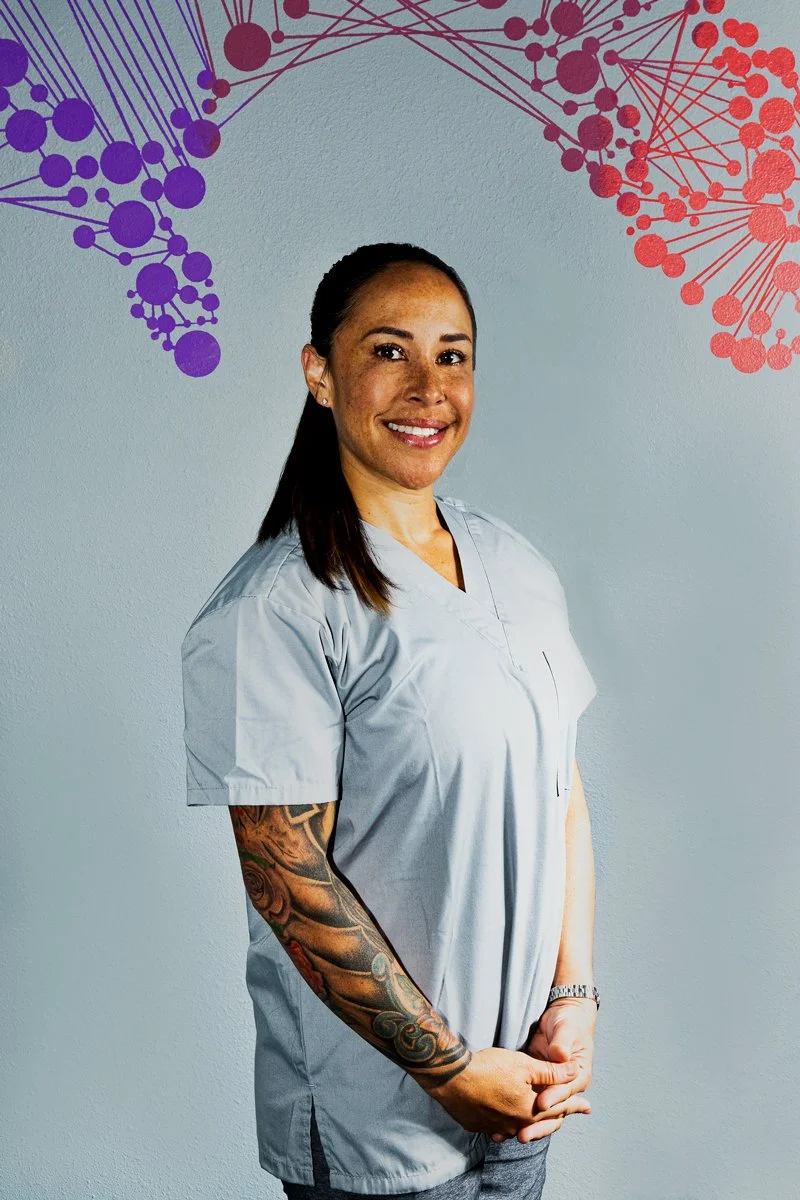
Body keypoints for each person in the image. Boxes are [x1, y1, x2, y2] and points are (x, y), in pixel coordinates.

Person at [180, 242, 600, 1200]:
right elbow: (288, 879)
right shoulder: (278, 609)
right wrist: (448, 1067)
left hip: (520, 1084)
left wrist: (572, 1000)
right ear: (320, 374)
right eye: (388, 351)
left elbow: (560, 795)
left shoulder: (516, 567)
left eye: (452, 355)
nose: (427, 386)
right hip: (380, 1124)